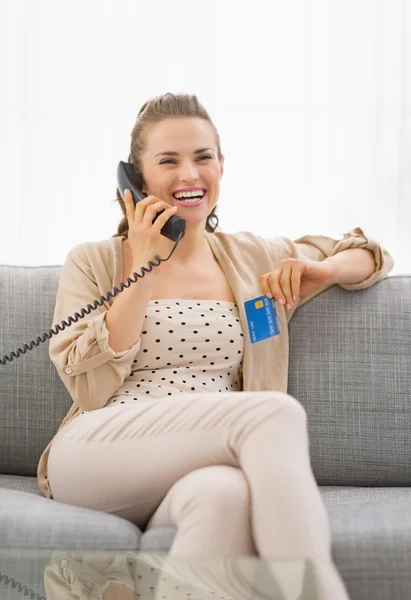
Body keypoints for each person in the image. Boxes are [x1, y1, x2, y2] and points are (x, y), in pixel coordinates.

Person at [37, 92, 394, 600]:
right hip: (98, 453)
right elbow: (89, 386)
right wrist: (144, 265)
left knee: (225, 496)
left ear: (222, 167)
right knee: (273, 415)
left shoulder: (252, 258)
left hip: (203, 465)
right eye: (168, 161)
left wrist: (326, 269)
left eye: (203, 157)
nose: (189, 174)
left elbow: (367, 253)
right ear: (134, 181)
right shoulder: (94, 261)